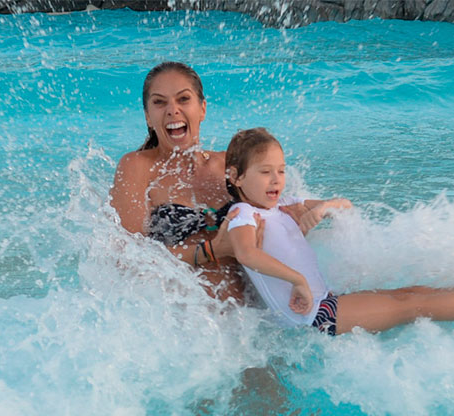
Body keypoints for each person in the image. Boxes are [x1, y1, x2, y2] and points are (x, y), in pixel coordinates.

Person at [225, 128, 454, 335]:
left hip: (326, 305)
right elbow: (246, 252)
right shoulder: (243, 213)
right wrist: (297, 280)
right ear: (236, 177)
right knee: (409, 305)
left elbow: (346, 206)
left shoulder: (284, 206)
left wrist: (320, 210)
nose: (276, 180)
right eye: (265, 172)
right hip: (313, 319)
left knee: (415, 291)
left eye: (281, 171)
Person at [109, 61, 314, 300]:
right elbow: (129, 258)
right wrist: (211, 250)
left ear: (202, 109)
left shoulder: (231, 165)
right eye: (159, 102)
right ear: (147, 117)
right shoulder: (137, 167)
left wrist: (299, 221)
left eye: (183, 99)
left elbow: (272, 223)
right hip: (189, 320)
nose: (172, 110)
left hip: (259, 311)